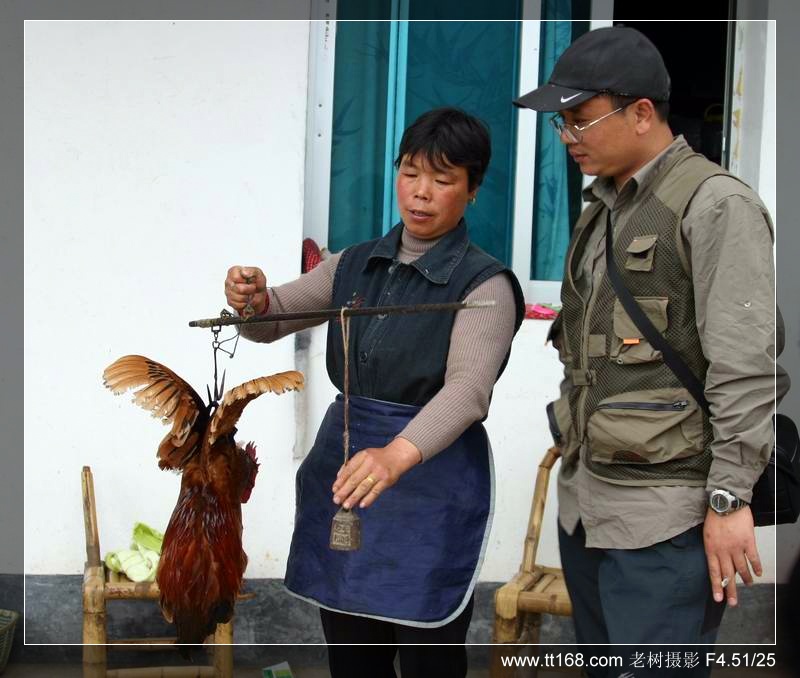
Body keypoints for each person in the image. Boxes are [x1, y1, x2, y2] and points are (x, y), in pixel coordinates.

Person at [224, 107, 525, 678]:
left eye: (442, 180)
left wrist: (397, 454)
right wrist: (252, 299)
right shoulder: (355, 264)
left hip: (429, 483)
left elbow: (466, 393)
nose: (420, 194)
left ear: (473, 190)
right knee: (352, 650)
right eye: (410, 173)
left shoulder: (484, 283)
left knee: (428, 659)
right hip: (346, 473)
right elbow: (272, 320)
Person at [514, 26, 775, 674]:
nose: (567, 138)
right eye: (561, 124)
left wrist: (729, 501)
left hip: (667, 522)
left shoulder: (716, 206)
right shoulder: (601, 206)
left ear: (640, 113)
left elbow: (745, 370)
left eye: (579, 120)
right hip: (587, 509)